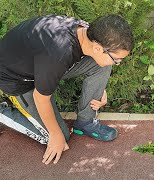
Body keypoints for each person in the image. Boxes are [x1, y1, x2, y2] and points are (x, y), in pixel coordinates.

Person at [0, 14, 133, 165]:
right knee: (59, 136)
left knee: (101, 65)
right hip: (16, 80)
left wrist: (99, 86)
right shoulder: (59, 52)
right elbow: (41, 98)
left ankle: (85, 122)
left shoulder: (86, 31)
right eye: (117, 60)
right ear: (97, 48)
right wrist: (55, 135)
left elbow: (97, 62)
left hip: (40, 65)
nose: (118, 64)